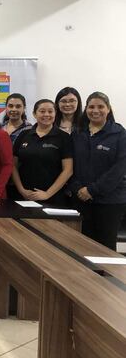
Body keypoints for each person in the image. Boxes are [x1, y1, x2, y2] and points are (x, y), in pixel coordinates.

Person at [69, 91, 126, 250]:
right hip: (81, 199)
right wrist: (78, 188)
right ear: (86, 109)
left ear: (108, 109)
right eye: (91, 107)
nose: (95, 110)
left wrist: (92, 190)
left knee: (105, 248)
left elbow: (119, 169)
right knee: (81, 245)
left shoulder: (119, 134)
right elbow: (70, 165)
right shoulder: (77, 133)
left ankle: (102, 269)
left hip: (109, 201)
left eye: (100, 107)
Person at [12, 99, 73, 206]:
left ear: (55, 114)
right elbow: (13, 166)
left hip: (53, 198)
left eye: (50, 111)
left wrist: (47, 194)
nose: (46, 114)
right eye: (42, 111)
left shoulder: (63, 137)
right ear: (34, 114)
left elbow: (68, 170)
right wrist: (21, 190)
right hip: (24, 196)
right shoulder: (24, 135)